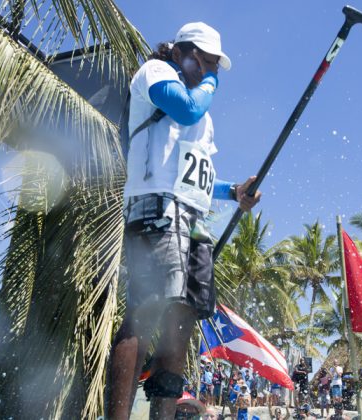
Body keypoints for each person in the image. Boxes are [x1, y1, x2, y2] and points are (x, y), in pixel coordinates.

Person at [104, 21, 261, 419]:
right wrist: (212, 84)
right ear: (178, 53)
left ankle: (162, 415)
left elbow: (195, 176)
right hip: (154, 208)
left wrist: (233, 193)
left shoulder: (205, 121)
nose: (208, 72)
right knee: (147, 308)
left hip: (192, 218)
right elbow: (185, 106)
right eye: (203, 62)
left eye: (214, 66)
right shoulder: (156, 73)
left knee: (183, 318)